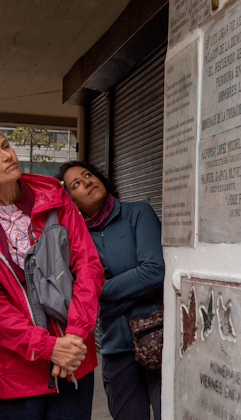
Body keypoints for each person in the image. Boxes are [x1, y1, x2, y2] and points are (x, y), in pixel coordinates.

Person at [0, 125, 104, 419]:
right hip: (14, 374)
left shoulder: (55, 200)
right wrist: (49, 348)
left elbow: (88, 267)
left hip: (73, 361)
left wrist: (73, 337)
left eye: (5, 146)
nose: (7, 155)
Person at [57, 160, 165, 420]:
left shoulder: (138, 214)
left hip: (158, 337)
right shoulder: (74, 238)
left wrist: (100, 290)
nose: (87, 182)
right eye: (77, 184)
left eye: (88, 175)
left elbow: (154, 272)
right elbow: (78, 294)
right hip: (116, 347)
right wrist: (136, 288)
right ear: (71, 201)